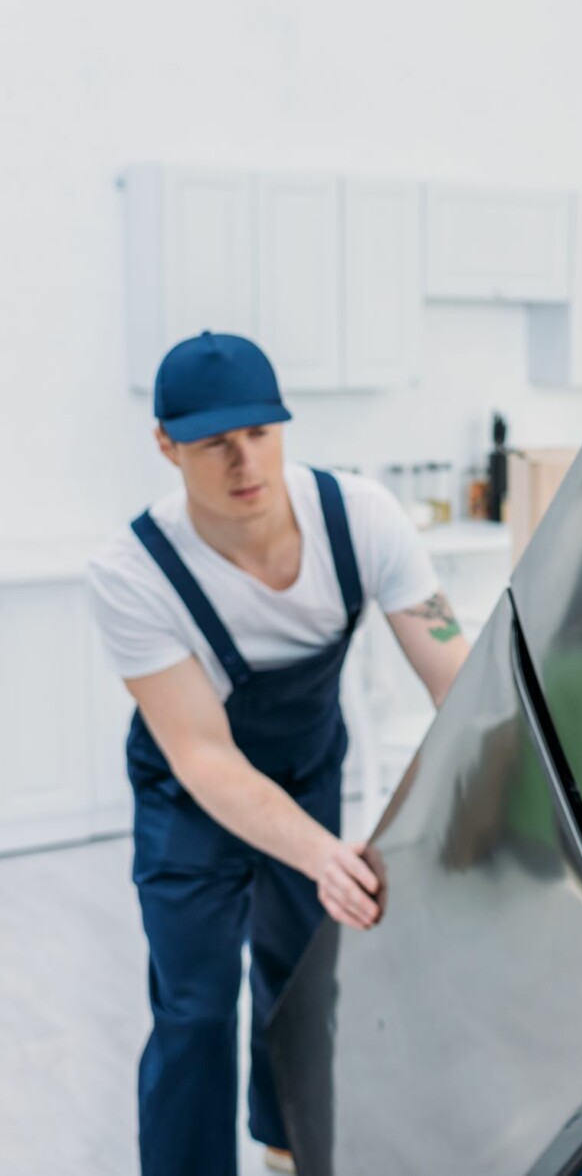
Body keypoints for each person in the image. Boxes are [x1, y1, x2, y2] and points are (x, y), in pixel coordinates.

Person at [86, 332, 473, 1176]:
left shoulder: (358, 518)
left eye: (260, 433)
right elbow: (204, 757)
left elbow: (456, 673)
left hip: (306, 771)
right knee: (194, 1008)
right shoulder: (131, 573)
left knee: (299, 987)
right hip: (189, 800)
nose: (243, 461)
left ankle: (287, 1146)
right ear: (166, 445)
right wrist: (322, 855)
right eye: (214, 443)